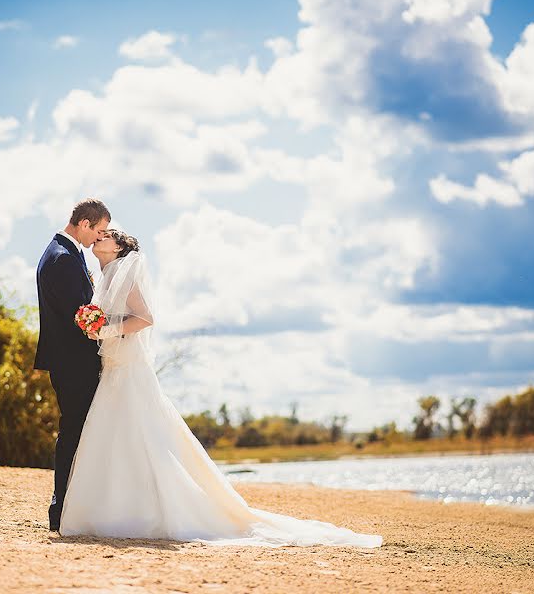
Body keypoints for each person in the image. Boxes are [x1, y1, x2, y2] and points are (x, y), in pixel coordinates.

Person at [59, 229, 383, 548]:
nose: (99, 238)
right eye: (99, 235)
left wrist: (108, 331)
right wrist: (98, 329)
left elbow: (146, 318)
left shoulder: (126, 273)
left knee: (141, 434)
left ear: (119, 247)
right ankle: (114, 509)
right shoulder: (104, 275)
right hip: (113, 367)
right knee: (115, 435)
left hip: (129, 369)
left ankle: (148, 510)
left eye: (107, 235)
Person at [34, 198, 110, 532]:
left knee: (78, 432)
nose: (100, 237)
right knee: (74, 433)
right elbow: (79, 318)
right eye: (100, 230)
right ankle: (62, 508)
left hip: (71, 361)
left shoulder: (65, 253)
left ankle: (70, 506)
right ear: (83, 224)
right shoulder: (62, 259)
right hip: (74, 362)